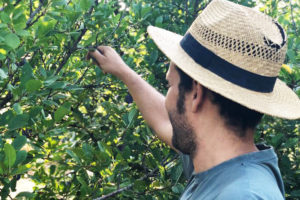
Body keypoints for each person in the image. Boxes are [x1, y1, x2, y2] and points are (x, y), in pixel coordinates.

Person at [88, 0, 300, 199]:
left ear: (196, 94)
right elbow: (166, 121)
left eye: (170, 85)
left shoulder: (241, 194)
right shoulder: (217, 162)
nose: (167, 100)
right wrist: (125, 73)